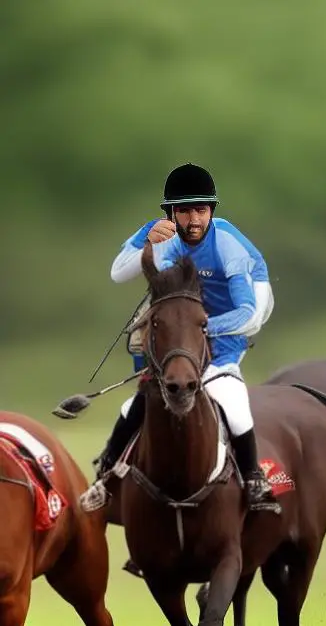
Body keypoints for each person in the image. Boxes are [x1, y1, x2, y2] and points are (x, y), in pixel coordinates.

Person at [80, 162, 279, 514]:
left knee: (228, 397)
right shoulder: (163, 233)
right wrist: (146, 240)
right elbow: (117, 274)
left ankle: (254, 480)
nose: (193, 220)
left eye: (200, 210)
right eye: (184, 211)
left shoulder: (228, 245)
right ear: (171, 212)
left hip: (229, 329)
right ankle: (105, 478)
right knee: (136, 404)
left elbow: (248, 314)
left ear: (211, 211)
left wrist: (197, 332)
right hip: (181, 337)